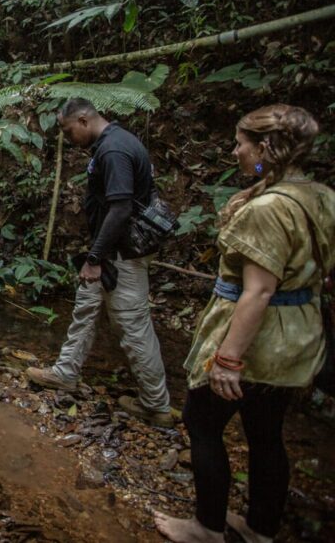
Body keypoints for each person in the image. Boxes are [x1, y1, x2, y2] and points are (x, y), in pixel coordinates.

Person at [154, 104, 335, 543]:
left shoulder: (268, 208)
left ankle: (207, 527)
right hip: (298, 333)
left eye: (241, 144)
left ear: (265, 149)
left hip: (259, 336)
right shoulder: (322, 195)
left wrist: (228, 359)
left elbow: (258, 291)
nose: (235, 151)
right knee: (266, 431)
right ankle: (259, 530)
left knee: (202, 421)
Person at [25, 98, 173, 427]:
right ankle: (66, 372)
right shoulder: (113, 142)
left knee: (133, 327)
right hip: (109, 253)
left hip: (120, 256)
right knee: (86, 307)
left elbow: (120, 209)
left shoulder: (114, 151)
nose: (67, 138)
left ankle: (157, 405)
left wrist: (94, 258)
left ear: (83, 120)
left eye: (67, 131)